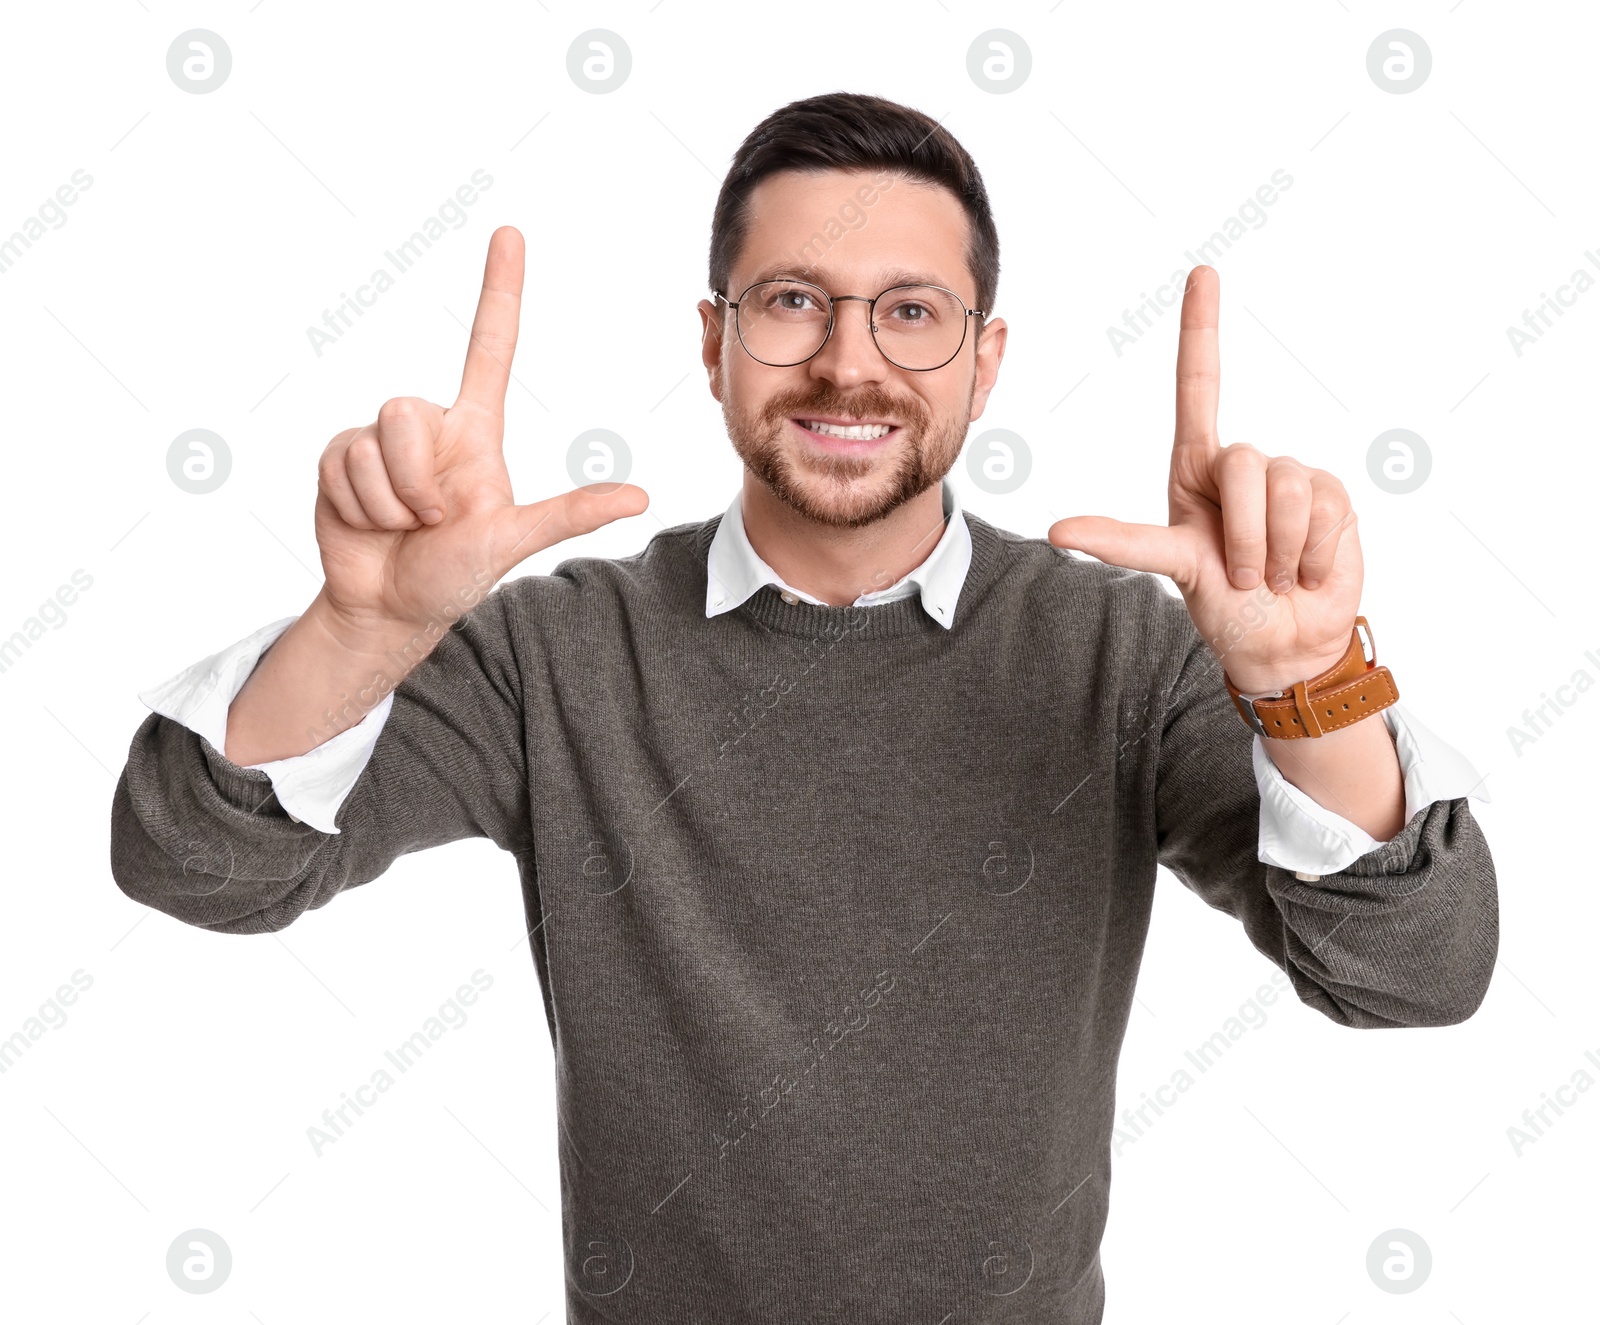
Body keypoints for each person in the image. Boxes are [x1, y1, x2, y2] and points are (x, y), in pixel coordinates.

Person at [110, 91, 1496, 1324]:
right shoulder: (556, 652)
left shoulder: (1121, 652)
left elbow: (1419, 975)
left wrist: (1306, 683)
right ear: (713, 345)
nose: (849, 360)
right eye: (791, 302)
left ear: (985, 359)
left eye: (910, 309)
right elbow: (194, 863)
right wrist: (360, 627)